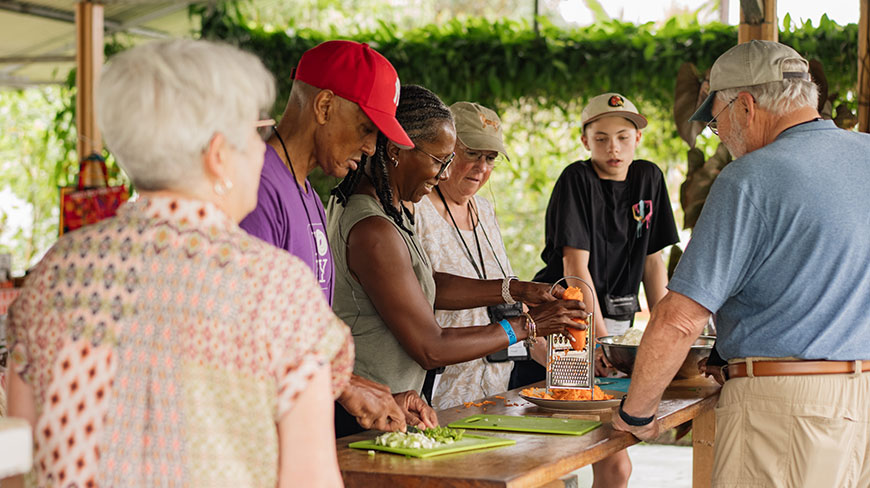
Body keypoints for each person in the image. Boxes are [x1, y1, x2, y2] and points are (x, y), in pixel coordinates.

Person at [4, 39, 352, 487]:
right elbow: (310, 479)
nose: (264, 151)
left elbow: (18, 464)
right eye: (254, 134)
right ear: (218, 155)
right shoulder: (275, 287)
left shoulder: (53, 274)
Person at [613, 40, 870, 488]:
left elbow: (679, 319)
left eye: (716, 120)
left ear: (746, 106)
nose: (720, 135)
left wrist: (637, 412)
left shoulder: (750, 177)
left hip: (786, 411)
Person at [328, 84, 587, 436]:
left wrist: (518, 290)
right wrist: (530, 326)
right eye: (439, 160)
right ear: (395, 150)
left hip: (391, 403)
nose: (443, 174)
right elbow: (431, 348)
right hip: (363, 415)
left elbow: (426, 286)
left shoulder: (387, 209)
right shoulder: (373, 229)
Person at [238, 40, 435, 434]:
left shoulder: (308, 194)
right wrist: (345, 388)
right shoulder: (256, 189)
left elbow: (303, 334)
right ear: (325, 106)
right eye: (366, 128)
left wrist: (371, 393)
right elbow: (248, 335)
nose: (371, 148)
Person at [527, 92, 680, 488]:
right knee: (562, 452)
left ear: (638, 139)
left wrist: (665, 331)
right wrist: (595, 340)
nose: (613, 147)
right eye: (601, 138)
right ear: (584, 141)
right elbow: (575, 270)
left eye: (623, 137)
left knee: (615, 462)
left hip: (615, 325)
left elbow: (652, 262)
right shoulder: (576, 181)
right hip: (567, 321)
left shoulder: (649, 178)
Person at [414, 101, 545, 409]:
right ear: (447, 149)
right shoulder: (417, 208)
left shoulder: (485, 210)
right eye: (472, 153)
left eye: (490, 157)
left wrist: (555, 358)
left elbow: (508, 303)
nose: (482, 167)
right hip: (437, 392)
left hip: (495, 390)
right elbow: (424, 290)